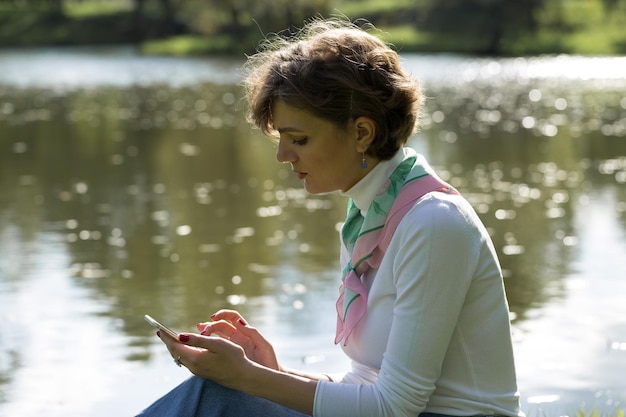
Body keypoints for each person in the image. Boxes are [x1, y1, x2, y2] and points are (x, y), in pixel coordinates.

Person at [136, 17, 524, 417]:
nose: (283, 156)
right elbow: (365, 385)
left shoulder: (434, 223)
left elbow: (393, 407)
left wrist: (249, 379)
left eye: (299, 139)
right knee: (217, 391)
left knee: (215, 398)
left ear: (362, 133)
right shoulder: (369, 216)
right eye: (281, 139)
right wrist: (270, 372)